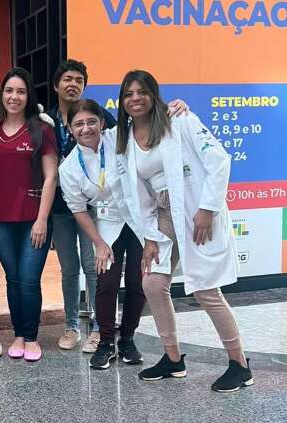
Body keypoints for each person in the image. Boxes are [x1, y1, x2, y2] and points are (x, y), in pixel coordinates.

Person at [116, 70, 253, 392]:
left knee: (206, 289)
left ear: (153, 94)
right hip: (162, 215)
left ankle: (239, 364)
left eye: (141, 92)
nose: (135, 99)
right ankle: (173, 358)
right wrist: (149, 236)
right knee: (152, 283)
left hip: (194, 211)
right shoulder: (124, 138)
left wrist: (207, 209)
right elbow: (139, 193)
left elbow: (219, 160)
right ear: (122, 102)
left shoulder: (180, 120)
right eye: (128, 94)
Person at [58, 99, 146, 370]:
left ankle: (128, 339)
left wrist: (177, 108)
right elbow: (78, 209)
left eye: (91, 121)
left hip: (139, 218)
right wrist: (98, 242)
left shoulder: (118, 138)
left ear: (102, 122)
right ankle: (106, 341)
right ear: (70, 128)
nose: (86, 128)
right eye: (79, 124)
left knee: (137, 281)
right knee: (106, 282)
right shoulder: (69, 168)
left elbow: (148, 121)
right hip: (107, 224)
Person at [0, 67, 58, 362]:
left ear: (28, 96)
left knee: (29, 278)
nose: (14, 97)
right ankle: (18, 333)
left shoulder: (41, 130)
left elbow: (51, 177)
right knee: (13, 279)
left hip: (34, 218)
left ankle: (31, 336)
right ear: (1, 95)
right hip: (2, 218)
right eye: (9, 91)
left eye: (20, 91)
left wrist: (42, 219)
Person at [47, 60, 114, 352]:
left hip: (94, 207)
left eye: (78, 80)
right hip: (60, 208)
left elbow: (128, 135)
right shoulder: (45, 121)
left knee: (93, 265)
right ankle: (72, 325)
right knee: (68, 269)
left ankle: (99, 325)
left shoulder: (98, 117)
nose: (72, 84)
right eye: (67, 79)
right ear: (56, 85)